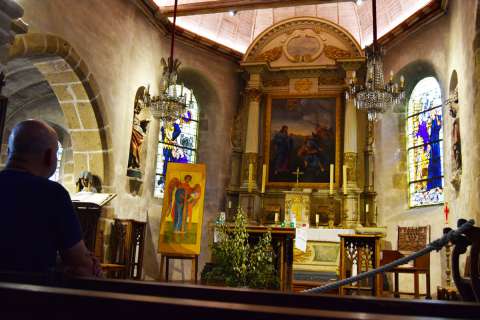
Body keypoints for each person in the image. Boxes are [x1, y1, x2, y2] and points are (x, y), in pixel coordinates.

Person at [0, 120, 100, 276]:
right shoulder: (53, 194)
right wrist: (90, 264)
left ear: (8, 151)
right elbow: (80, 265)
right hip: (28, 297)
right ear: (49, 156)